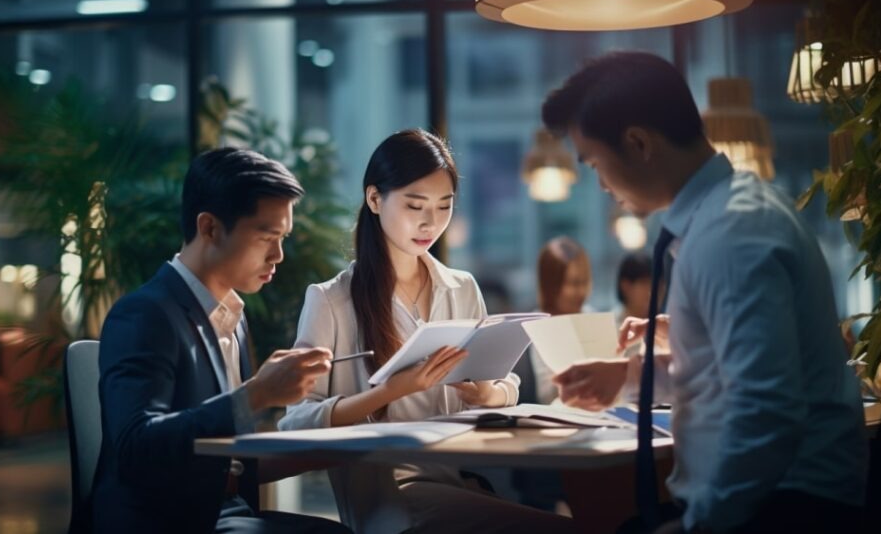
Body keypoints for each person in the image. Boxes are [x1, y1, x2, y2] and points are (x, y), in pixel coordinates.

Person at [542, 52, 867, 533]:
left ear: (637, 143)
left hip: (783, 507)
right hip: (774, 496)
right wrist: (628, 378)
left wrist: (702, 525)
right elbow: (732, 372)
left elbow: (766, 411)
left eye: (594, 163)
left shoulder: (730, 233)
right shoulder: (730, 213)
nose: (602, 185)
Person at [278, 129, 575, 534]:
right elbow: (294, 422)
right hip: (391, 496)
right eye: (415, 205)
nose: (430, 222)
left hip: (463, 480)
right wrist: (390, 391)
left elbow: (504, 383)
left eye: (444, 206)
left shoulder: (462, 287)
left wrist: (489, 393)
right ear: (375, 199)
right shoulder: (331, 300)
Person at [92, 148, 349, 534]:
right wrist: (257, 395)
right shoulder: (146, 314)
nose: (278, 255)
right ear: (209, 227)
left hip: (224, 512)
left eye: (283, 238)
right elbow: (135, 448)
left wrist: (341, 445)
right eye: (267, 236)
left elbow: (234, 466)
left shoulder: (233, 318)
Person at [515, 235, 594, 405]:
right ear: (550, 285)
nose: (581, 291)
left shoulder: (595, 321)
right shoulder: (533, 329)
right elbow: (544, 397)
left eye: (584, 282)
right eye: (572, 283)